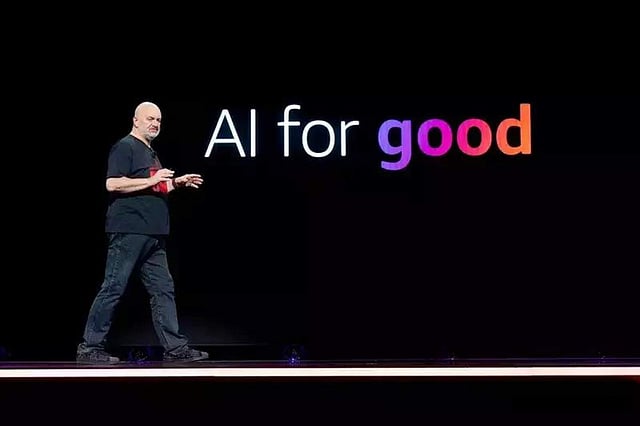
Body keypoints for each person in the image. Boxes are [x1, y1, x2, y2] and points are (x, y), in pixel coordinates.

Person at [76, 101, 209, 363]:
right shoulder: (125, 146)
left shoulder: (149, 152)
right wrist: (153, 179)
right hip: (129, 230)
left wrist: (176, 183)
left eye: (158, 120)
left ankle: (175, 349)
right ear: (135, 120)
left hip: (153, 234)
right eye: (150, 118)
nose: (155, 124)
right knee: (113, 287)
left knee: (163, 289)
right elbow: (113, 183)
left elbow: (155, 187)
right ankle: (89, 348)